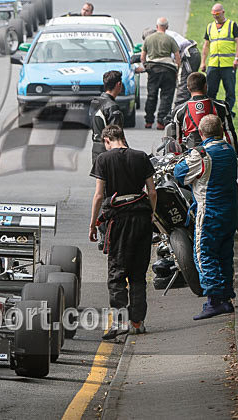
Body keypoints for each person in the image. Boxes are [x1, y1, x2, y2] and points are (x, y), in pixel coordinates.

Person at [90, 125, 156, 338]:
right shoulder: (141, 157)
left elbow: (99, 196)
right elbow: (152, 191)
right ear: (123, 138)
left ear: (107, 141)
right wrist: (152, 215)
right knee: (138, 272)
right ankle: (137, 323)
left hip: (119, 221)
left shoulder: (103, 159)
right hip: (142, 219)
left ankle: (119, 322)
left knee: (117, 273)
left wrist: (93, 224)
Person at [173, 114, 238, 319]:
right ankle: (226, 296)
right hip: (230, 211)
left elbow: (179, 174)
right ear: (221, 131)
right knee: (225, 254)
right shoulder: (230, 149)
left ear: (201, 133)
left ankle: (214, 300)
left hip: (209, 211)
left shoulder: (201, 155)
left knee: (204, 254)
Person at [171, 72, 237, 152]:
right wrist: (234, 155)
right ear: (206, 86)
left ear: (188, 88)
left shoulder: (179, 111)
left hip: (192, 156)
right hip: (217, 153)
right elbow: (229, 133)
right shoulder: (221, 106)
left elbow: (176, 142)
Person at [201, 3, 238, 116]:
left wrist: (237, 58)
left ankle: (227, 112)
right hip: (213, 64)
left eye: (217, 14)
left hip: (228, 65)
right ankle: (211, 111)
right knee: (210, 90)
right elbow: (206, 45)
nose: (215, 16)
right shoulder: (210, 27)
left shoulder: (231, 25)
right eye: (213, 14)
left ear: (223, 12)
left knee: (230, 91)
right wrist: (203, 62)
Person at [140, 17, 181, 129]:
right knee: (166, 97)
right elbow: (177, 56)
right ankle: (161, 122)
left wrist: (145, 66)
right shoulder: (170, 39)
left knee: (151, 96)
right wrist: (177, 69)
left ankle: (149, 121)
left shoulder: (149, 39)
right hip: (168, 70)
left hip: (153, 69)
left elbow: (142, 56)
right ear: (167, 27)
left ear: (156, 26)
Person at [90, 70, 124, 163]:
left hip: (96, 149)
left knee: (99, 177)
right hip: (109, 152)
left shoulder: (95, 102)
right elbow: (116, 135)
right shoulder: (112, 107)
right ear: (119, 84)